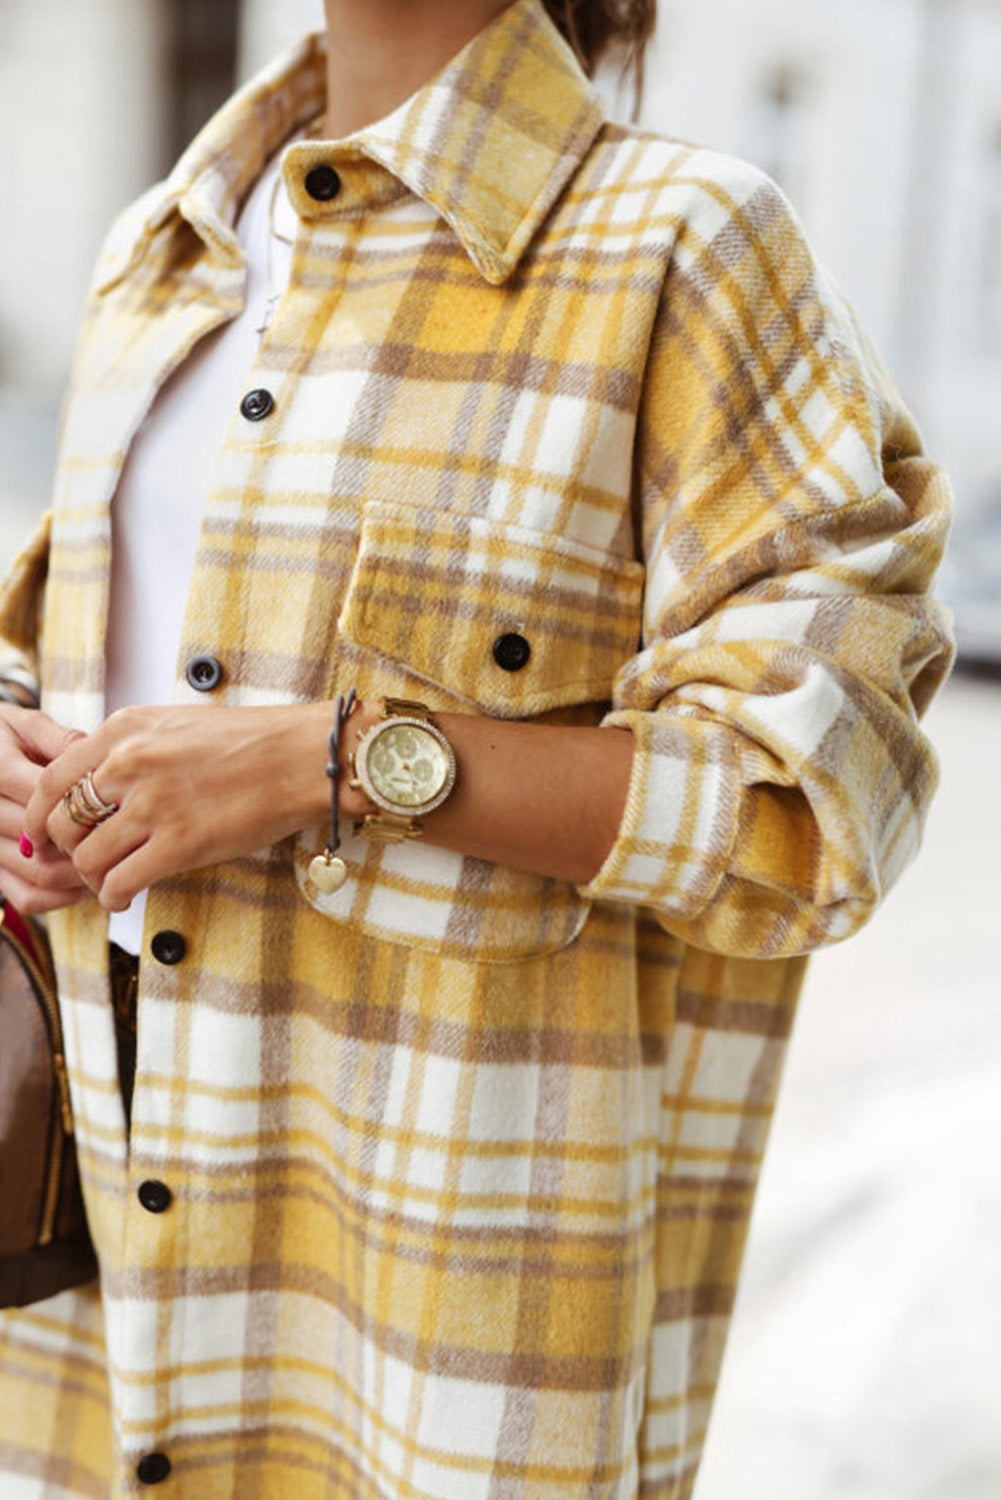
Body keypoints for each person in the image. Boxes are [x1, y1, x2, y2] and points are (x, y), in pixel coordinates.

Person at [0, 0, 953, 1495]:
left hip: (451, 1355)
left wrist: (332, 760)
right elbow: (72, 627)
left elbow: (818, 803)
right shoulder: (163, 247)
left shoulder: (683, 245)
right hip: (110, 1320)